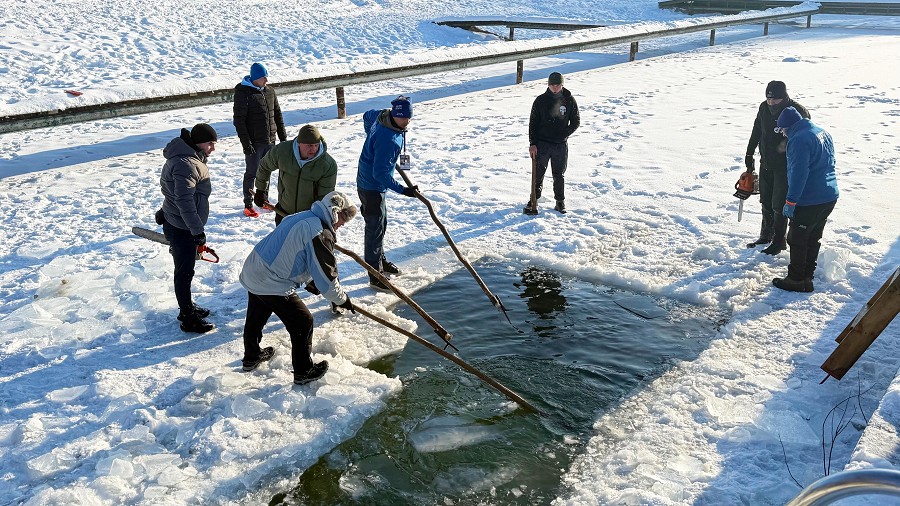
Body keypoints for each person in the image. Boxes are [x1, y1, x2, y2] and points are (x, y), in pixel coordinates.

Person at [238, 191, 357, 385]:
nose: (341, 225)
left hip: (254, 267)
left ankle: (251, 356)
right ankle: (304, 370)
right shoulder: (319, 232)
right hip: (271, 279)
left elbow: (293, 252)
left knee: (257, 313)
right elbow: (327, 279)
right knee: (303, 321)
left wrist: (309, 280)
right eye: (342, 220)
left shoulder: (303, 216)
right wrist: (342, 299)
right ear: (334, 212)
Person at [771, 107, 839, 293]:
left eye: (782, 129)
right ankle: (807, 276)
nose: (783, 133)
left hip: (810, 198)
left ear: (788, 126)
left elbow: (799, 173)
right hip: (829, 195)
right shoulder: (821, 132)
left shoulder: (798, 140)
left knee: (797, 238)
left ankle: (796, 279)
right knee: (813, 237)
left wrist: (791, 201)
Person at [158, 123, 218, 333]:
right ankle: (187, 317)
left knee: (185, 270)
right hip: (182, 227)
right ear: (198, 142)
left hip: (177, 222)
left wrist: (163, 211)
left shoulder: (185, 157)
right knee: (184, 273)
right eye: (210, 143)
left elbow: (171, 191)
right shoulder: (187, 164)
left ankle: (188, 307)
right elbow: (184, 201)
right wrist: (197, 231)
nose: (212, 148)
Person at [356, 95, 419, 290]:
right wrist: (404, 190)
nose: (408, 122)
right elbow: (380, 173)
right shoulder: (389, 140)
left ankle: (379, 260)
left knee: (381, 223)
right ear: (397, 116)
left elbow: (367, 116)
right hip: (372, 186)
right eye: (405, 118)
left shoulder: (382, 115)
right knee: (375, 226)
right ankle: (375, 273)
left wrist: (370, 141)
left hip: (369, 180)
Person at [744, 80, 810, 254]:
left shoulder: (797, 111)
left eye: (775, 99)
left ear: (784, 97)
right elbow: (757, 129)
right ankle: (766, 234)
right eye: (768, 98)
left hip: (785, 166)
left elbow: (805, 136)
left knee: (779, 204)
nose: (771, 102)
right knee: (765, 200)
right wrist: (749, 153)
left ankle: (779, 241)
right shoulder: (763, 108)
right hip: (766, 162)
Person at [253, 124, 338, 226]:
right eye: (309, 145)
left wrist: (320, 218)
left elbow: (324, 196)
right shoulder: (282, 152)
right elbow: (265, 166)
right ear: (299, 143)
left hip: (308, 217)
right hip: (283, 212)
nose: (314, 149)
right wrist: (261, 190)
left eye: (316, 145)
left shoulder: (327, 165)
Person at [234, 62, 287, 218]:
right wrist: (246, 143)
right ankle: (248, 204)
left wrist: (283, 138)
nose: (266, 80)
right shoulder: (244, 93)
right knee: (252, 173)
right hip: (254, 143)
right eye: (264, 77)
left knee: (267, 172)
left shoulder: (270, 91)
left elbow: (277, 114)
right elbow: (239, 121)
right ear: (256, 78)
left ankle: (262, 200)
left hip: (270, 140)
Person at [525, 71, 580, 215]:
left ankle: (560, 202)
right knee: (538, 174)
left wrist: (565, 133)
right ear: (548, 85)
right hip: (542, 144)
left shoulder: (569, 100)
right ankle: (534, 200)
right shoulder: (540, 101)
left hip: (560, 145)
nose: (555, 88)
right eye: (552, 85)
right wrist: (532, 143)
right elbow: (533, 123)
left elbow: (576, 121)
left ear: (562, 85)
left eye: (558, 85)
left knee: (559, 174)